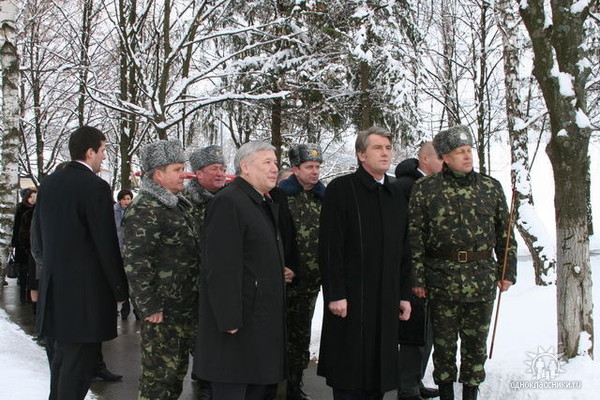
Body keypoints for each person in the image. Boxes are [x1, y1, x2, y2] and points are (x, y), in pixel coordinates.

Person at [409, 126, 517, 400]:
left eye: (469, 151)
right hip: (441, 278)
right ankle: (446, 393)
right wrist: (418, 279)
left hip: (480, 279)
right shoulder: (425, 189)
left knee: (475, 345)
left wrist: (507, 271)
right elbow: (415, 237)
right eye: (460, 152)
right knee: (444, 346)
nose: (467, 157)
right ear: (445, 156)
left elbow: (505, 234)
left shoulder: (490, 187)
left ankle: (471, 393)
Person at [33, 126, 129, 400]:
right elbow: (105, 243)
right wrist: (119, 289)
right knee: (77, 373)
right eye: (102, 151)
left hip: (55, 291)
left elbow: (37, 236)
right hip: (85, 298)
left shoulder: (49, 183)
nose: (104, 158)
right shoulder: (95, 187)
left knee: (61, 366)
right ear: (89, 152)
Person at [318, 126, 412, 400]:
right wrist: (335, 294)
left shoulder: (396, 193)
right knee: (349, 373)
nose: (385, 153)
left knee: (378, 374)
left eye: (388, 148)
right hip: (350, 300)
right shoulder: (341, 189)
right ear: (361, 155)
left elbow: (405, 249)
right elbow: (330, 247)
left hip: (386, 298)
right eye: (377, 148)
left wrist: (405, 294)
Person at [193, 141, 286, 400]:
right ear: (245, 166)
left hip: (258, 322)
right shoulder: (229, 202)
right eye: (267, 162)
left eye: (276, 163)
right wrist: (229, 318)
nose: (274, 168)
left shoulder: (259, 202)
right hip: (238, 328)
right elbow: (221, 266)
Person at [122, 139, 200, 400]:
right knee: (158, 381)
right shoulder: (146, 208)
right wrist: (150, 306)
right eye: (177, 169)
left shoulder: (175, 204)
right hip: (162, 312)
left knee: (175, 376)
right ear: (158, 174)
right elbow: (136, 261)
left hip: (182, 308)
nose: (184, 175)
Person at [393, 142, 443, 400]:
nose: (444, 161)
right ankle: (407, 386)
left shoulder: (437, 186)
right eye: (439, 157)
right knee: (414, 329)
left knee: (429, 329)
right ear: (425, 159)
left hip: (433, 267)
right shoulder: (404, 186)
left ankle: (417, 379)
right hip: (411, 267)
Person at [278, 143, 326, 400]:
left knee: (301, 334)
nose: (315, 172)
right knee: (277, 332)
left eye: (318, 167)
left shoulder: (323, 198)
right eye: (309, 167)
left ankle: (295, 385)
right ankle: (272, 382)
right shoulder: (280, 196)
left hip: (311, 281)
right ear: (295, 169)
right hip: (284, 279)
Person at [184, 144, 227, 400]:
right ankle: (203, 379)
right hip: (191, 282)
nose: (220, 173)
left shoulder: (228, 200)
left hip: (218, 280)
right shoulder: (186, 203)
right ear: (198, 174)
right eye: (214, 169)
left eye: (222, 168)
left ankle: (211, 374)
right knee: (197, 336)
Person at [113, 188, 138, 321]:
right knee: (122, 279)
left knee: (132, 280)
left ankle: (136, 308)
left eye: (128, 199)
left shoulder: (135, 210)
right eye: (124, 199)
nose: (126, 201)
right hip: (118, 249)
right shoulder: (114, 212)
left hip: (131, 249)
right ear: (120, 200)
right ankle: (125, 306)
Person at [10, 187, 37, 303]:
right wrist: (13, 243)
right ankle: (22, 294)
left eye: (34, 197)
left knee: (32, 272)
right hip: (22, 244)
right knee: (23, 270)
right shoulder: (21, 208)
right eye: (31, 197)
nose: (32, 200)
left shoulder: (38, 209)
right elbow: (16, 226)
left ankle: (29, 295)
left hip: (33, 244)